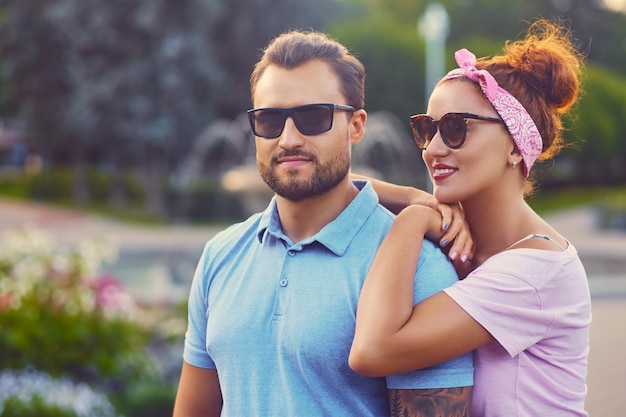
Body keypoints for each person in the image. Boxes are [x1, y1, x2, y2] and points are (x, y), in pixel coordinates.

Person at [172, 30, 475, 417]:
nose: (288, 139)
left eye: (313, 117)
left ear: (357, 126)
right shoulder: (221, 254)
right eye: (269, 120)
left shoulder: (420, 266)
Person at [349, 19, 591, 417]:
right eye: (426, 129)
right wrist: (416, 197)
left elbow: (373, 350)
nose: (432, 149)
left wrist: (412, 218)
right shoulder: (475, 241)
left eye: (456, 128)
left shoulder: (535, 272)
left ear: (515, 147)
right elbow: (324, 184)